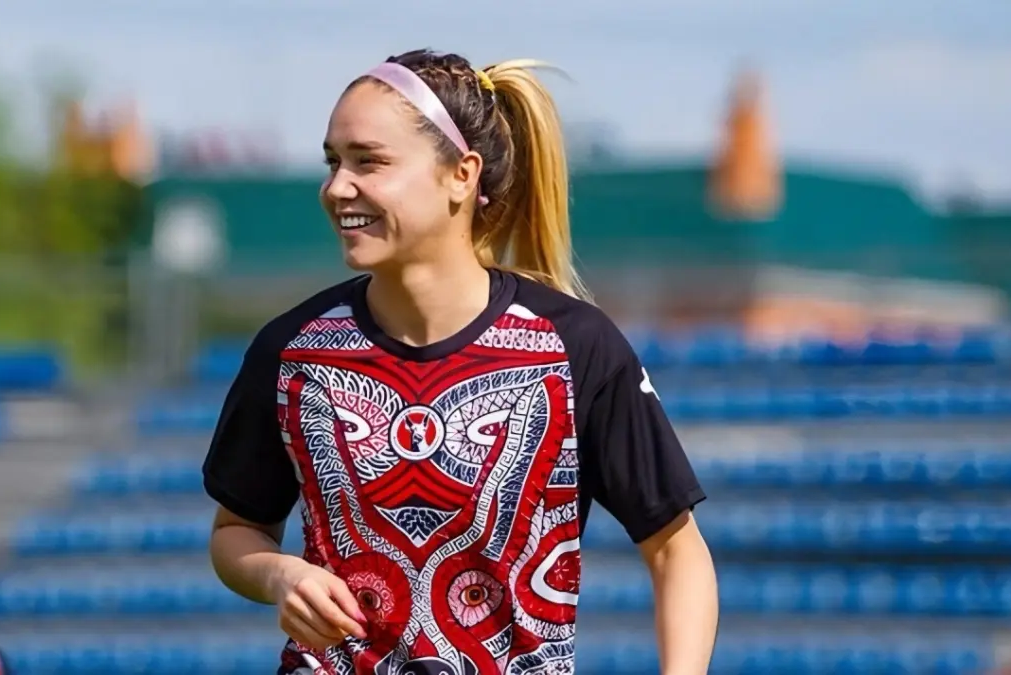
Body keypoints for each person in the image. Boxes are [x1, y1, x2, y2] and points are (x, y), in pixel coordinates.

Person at [203, 49, 718, 675]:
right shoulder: (292, 351)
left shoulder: (577, 348)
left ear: (461, 175)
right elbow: (236, 532)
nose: (338, 187)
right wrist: (280, 576)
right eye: (333, 162)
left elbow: (677, 555)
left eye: (370, 161)